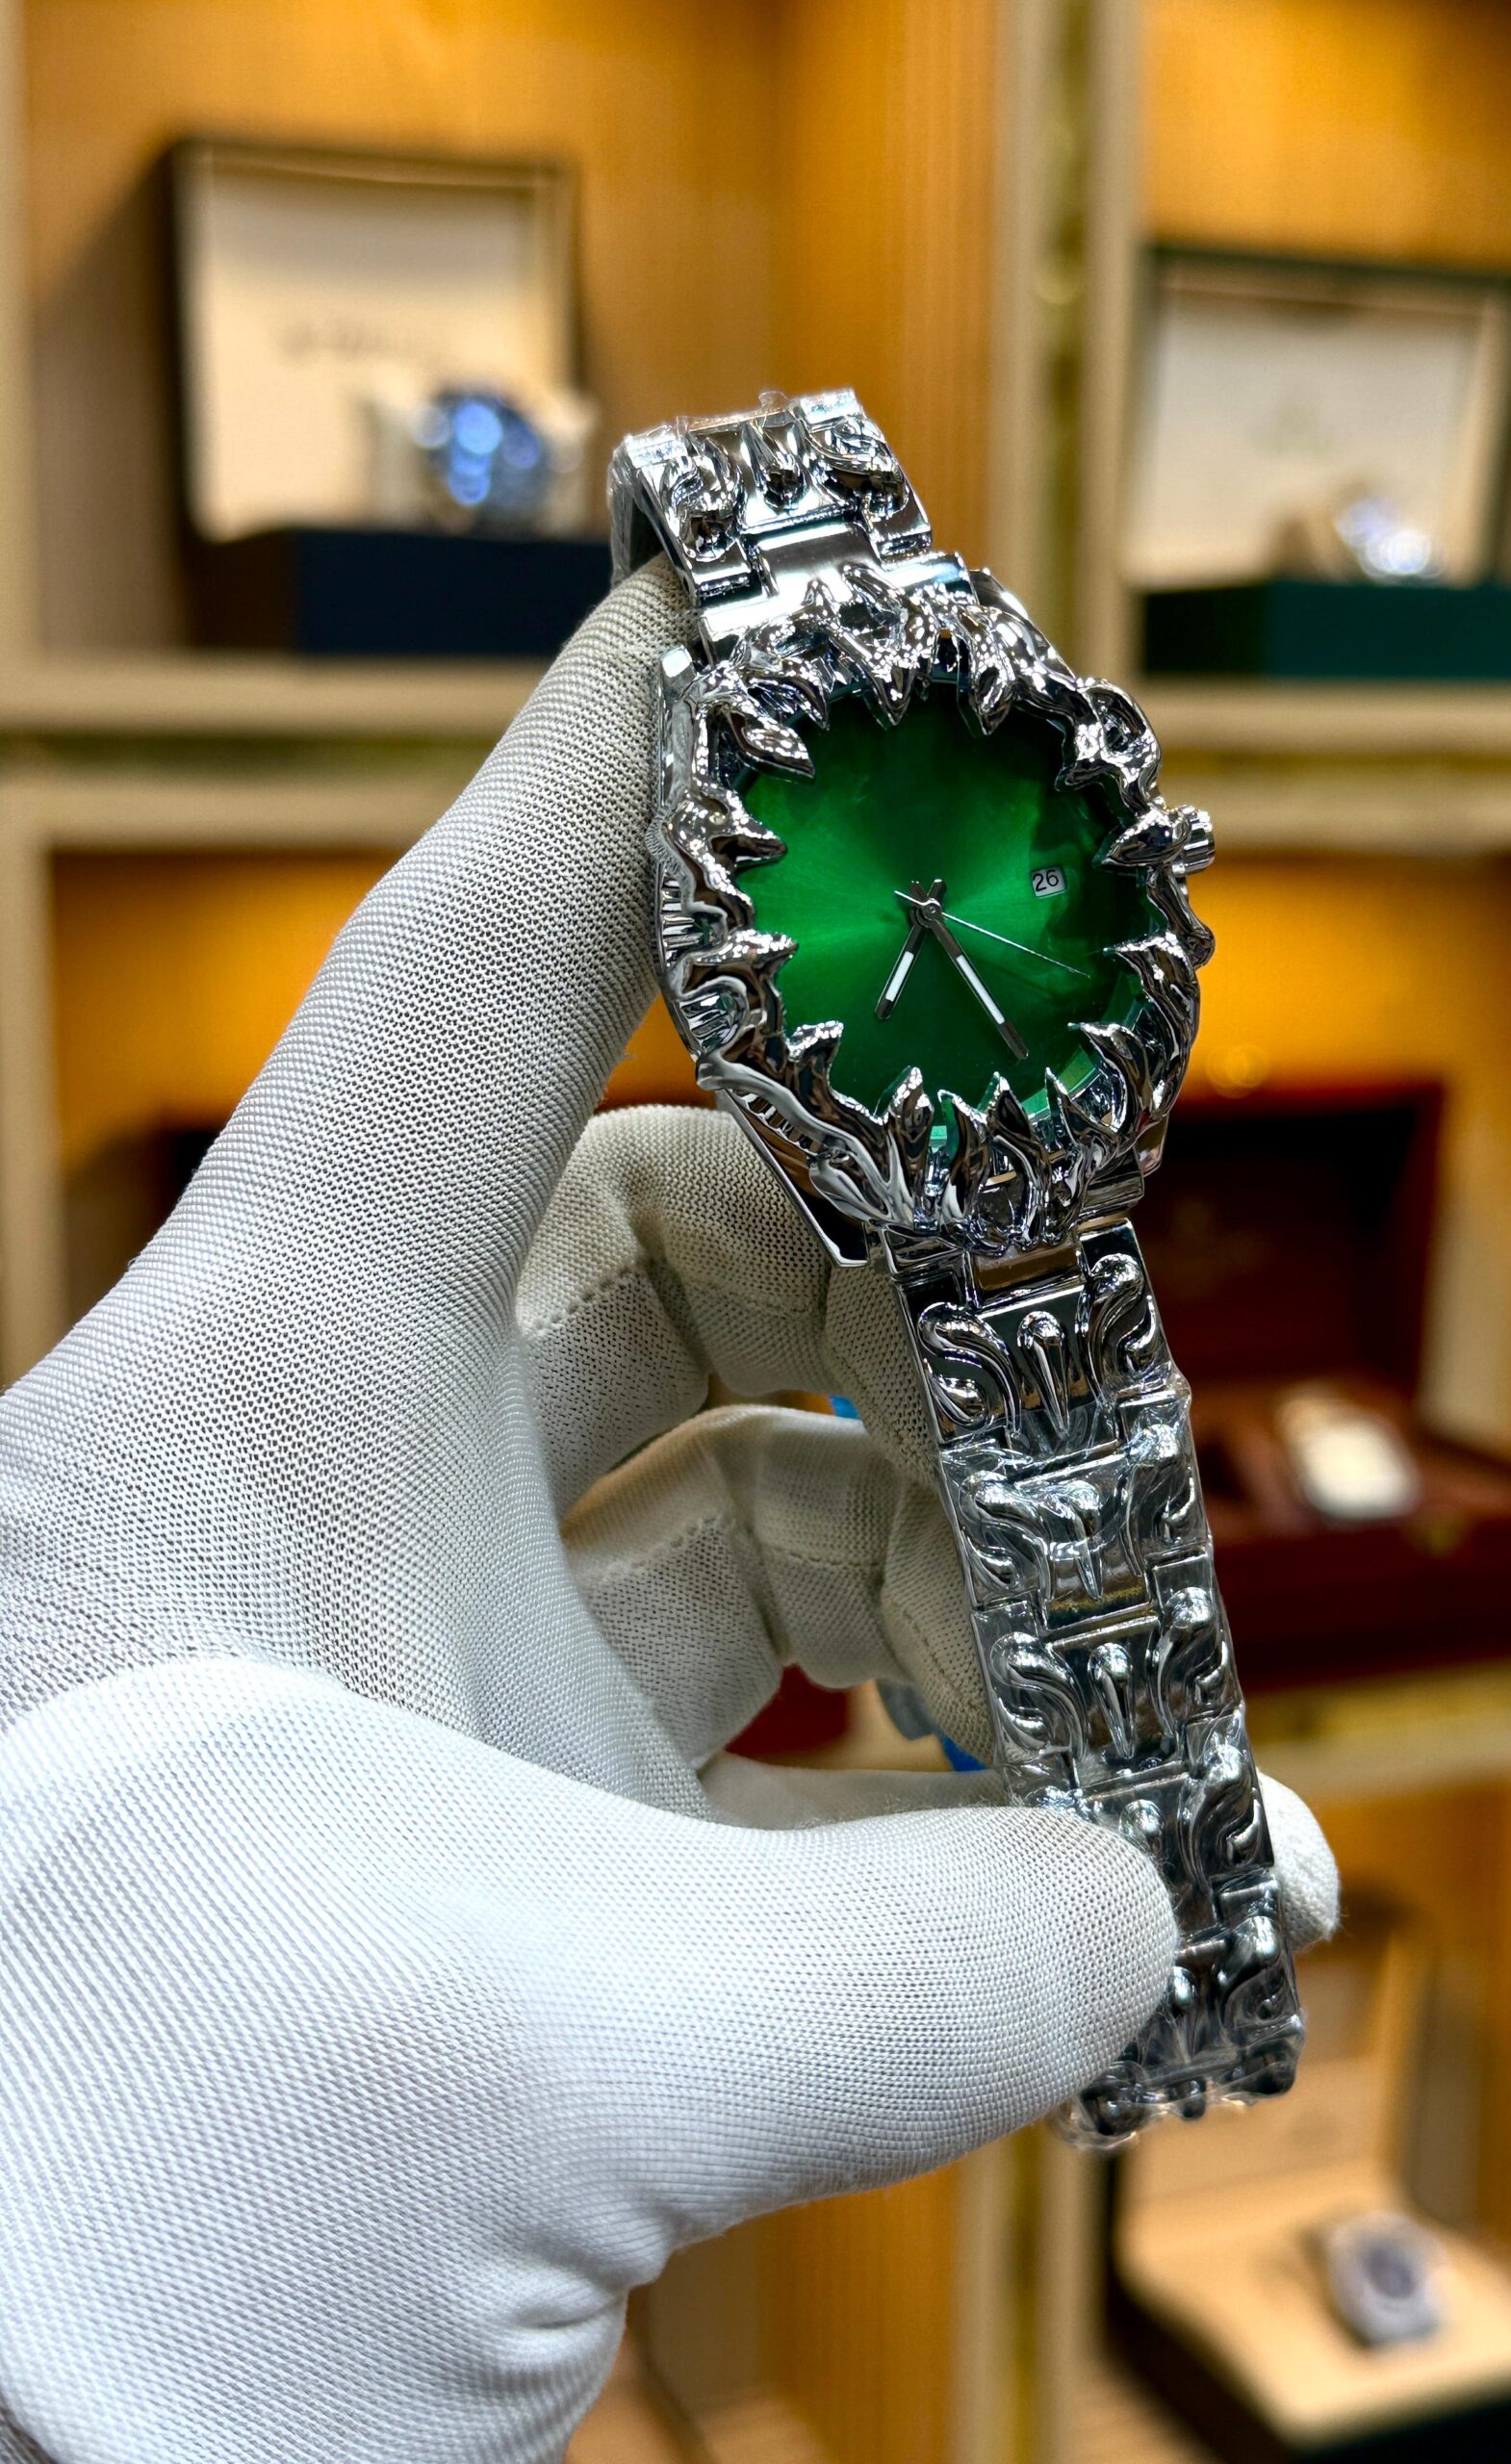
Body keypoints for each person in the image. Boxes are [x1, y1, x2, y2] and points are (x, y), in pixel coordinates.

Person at [0, 566, 1337, 2464]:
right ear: (724, 990)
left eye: (948, 903)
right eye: (909, 909)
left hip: (1040, 1145)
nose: (930, 912)